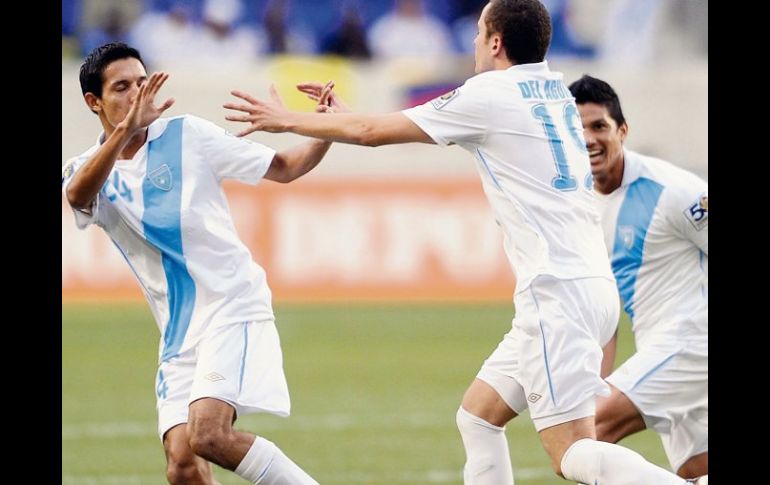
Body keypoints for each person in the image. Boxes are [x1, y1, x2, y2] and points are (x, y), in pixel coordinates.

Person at [222, 1, 705, 483]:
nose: (474, 42)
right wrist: (344, 119)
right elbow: (382, 123)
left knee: (572, 453)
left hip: (555, 292)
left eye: (478, 32)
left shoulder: (491, 93)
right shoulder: (554, 90)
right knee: (478, 416)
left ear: (495, 42)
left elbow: (373, 134)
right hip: (588, 287)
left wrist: (284, 120)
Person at [62, 42, 335, 485]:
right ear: (94, 102)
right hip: (178, 330)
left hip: (231, 305)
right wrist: (122, 134)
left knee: (208, 435)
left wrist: (325, 130)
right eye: (122, 87)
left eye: (142, 82)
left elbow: (285, 167)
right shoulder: (85, 169)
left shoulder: (189, 135)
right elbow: (78, 197)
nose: (137, 94)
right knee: (182, 463)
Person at [568, 74, 708, 479]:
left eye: (599, 126)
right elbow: (604, 309)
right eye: (577, 130)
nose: (589, 139)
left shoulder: (672, 191)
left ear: (622, 131)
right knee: (693, 471)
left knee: (585, 431)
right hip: (660, 348)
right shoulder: (579, 204)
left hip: (691, 340)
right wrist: (597, 381)